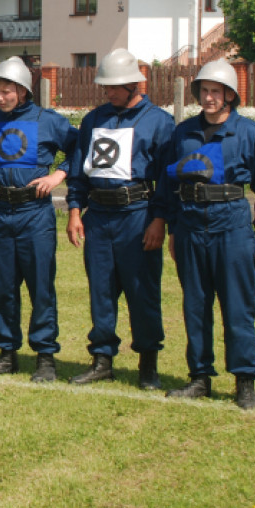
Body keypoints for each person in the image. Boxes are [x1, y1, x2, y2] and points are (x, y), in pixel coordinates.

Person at [154, 60, 255, 409]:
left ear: (229, 95)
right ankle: (199, 377)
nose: (208, 98)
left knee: (237, 306)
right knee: (195, 304)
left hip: (233, 227)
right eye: (204, 91)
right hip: (191, 225)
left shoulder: (250, 133)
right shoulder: (183, 133)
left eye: (215, 91)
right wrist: (172, 229)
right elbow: (168, 184)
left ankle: (244, 380)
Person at [65, 49, 174, 388]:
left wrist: (159, 220)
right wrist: (74, 211)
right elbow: (79, 170)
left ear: (133, 84)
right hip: (98, 216)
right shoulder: (94, 119)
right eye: (106, 87)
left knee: (142, 292)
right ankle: (101, 359)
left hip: (137, 216)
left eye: (114, 87)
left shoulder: (159, 121)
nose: (108, 93)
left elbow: (167, 180)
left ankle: (148, 363)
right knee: (101, 291)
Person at [0, 56, 78, 382]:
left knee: (40, 287)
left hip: (36, 215)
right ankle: (7, 353)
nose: (0, 97)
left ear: (22, 91)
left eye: (7, 91)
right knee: (3, 288)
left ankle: (45, 356)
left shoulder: (47, 121)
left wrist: (59, 175)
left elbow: (82, 149)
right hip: (2, 214)